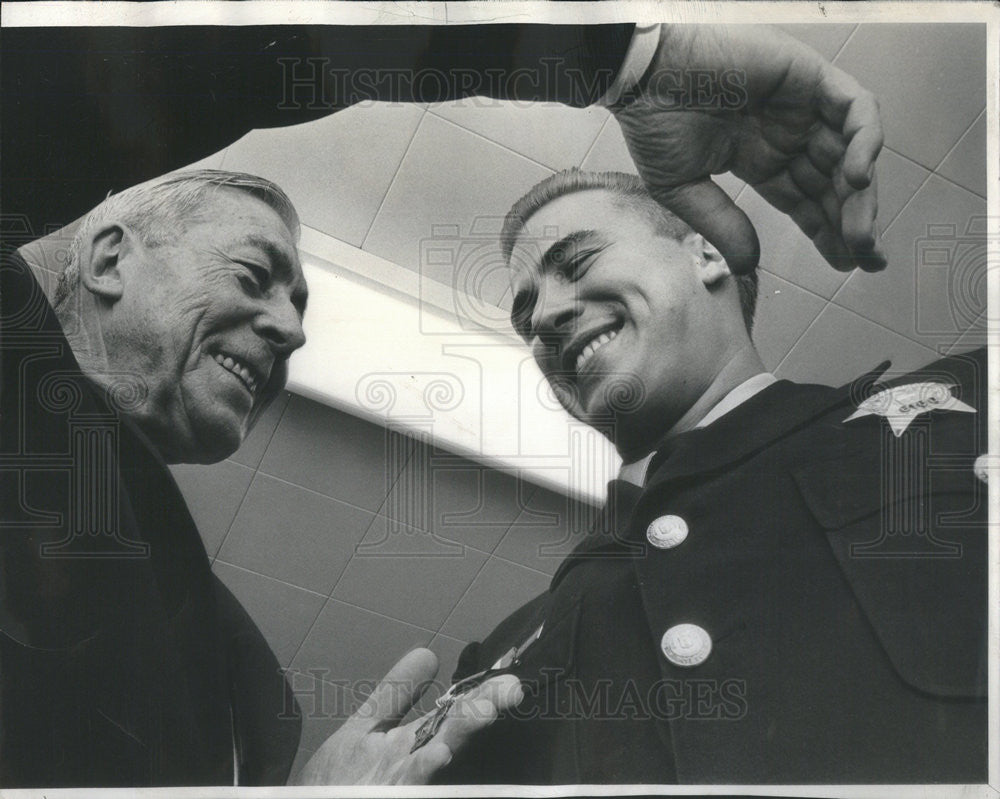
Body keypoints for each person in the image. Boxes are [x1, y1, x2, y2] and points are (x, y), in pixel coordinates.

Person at [436, 169, 988, 784]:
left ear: (707, 253)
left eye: (579, 262)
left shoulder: (972, 408)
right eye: (525, 311)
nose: (543, 318)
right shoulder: (497, 658)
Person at [0, 170, 521, 787]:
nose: (294, 332)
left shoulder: (244, 685)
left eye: (297, 307)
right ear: (110, 260)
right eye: (253, 276)